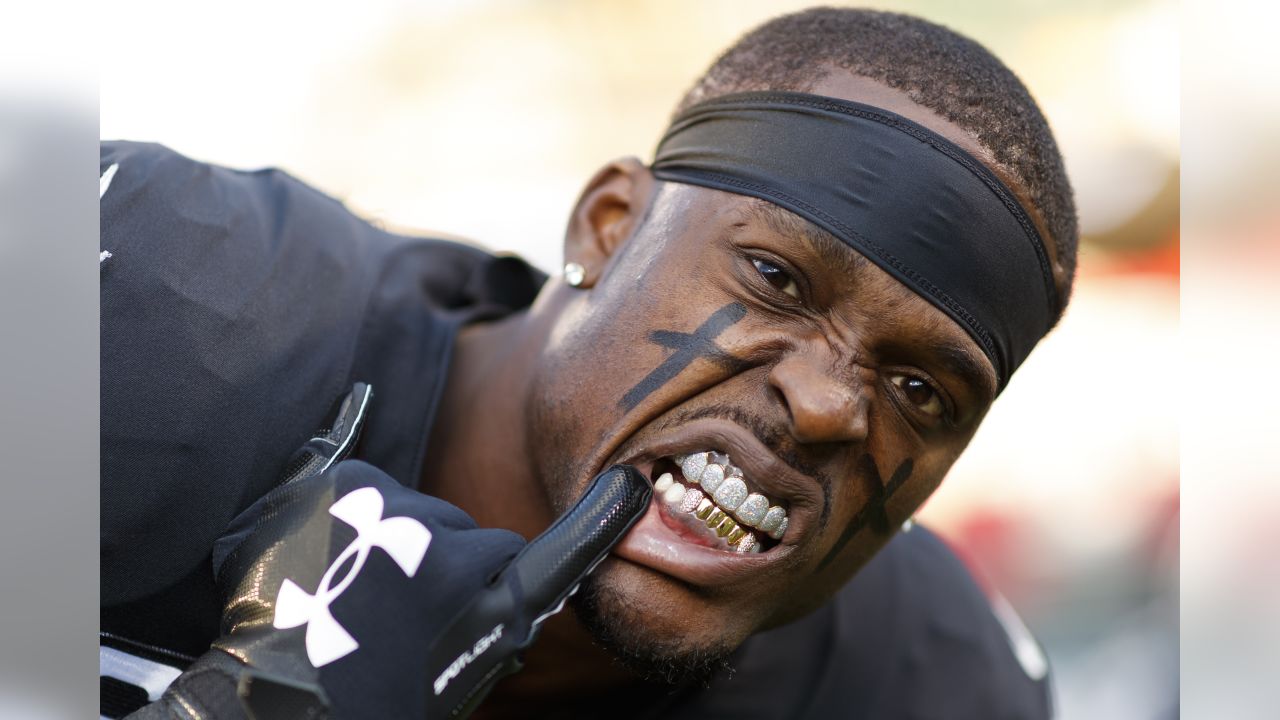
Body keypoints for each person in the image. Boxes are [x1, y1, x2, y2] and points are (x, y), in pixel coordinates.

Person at [100, 7, 1074, 719]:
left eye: (919, 390)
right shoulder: (150, 300)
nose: (825, 407)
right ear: (607, 227)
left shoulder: (920, 680)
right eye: (775, 277)